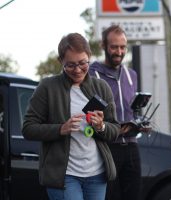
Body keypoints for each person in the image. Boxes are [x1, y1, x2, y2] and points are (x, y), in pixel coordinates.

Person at [22, 33, 120, 200]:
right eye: (70, 65)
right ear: (61, 61)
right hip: (64, 175)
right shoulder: (48, 87)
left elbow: (115, 129)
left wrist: (101, 126)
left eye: (83, 63)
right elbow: (28, 128)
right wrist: (61, 129)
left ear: (89, 57)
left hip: (97, 175)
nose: (77, 70)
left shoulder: (101, 87)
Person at [89, 25, 142, 200]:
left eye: (122, 47)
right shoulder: (92, 74)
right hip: (107, 147)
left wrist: (140, 123)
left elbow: (133, 109)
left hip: (132, 146)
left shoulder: (131, 75)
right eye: (114, 47)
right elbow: (88, 114)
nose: (119, 51)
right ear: (104, 45)